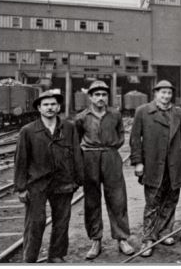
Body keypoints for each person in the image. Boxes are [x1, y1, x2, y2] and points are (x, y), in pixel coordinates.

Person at [14, 90, 84, 263]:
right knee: (35, 222)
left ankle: (56, 255)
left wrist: (78, 179)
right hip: (37, 182)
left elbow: (76, 153)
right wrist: (21, 187)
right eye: (45, 105)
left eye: (53, 104)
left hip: (63, 181)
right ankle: (30, 258)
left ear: (58, 106)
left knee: (62, 221)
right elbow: (21, 160)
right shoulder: (28, 131)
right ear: (39, 108)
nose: (50, 108)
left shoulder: (69, 128)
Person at [130, 80, 181, 257]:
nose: (166, 96)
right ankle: (148, 239)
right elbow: (135, 139)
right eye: (162, 93)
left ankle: (165, 232)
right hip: (153, 165)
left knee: (171, 200)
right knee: (152, 204)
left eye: (169, 93)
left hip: (174, 165)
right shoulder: (143, 112)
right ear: (155, 93)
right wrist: (138, 162)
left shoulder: (178, 113)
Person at [75, 81, 134, 259]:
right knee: (92, 200)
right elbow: (76, 140)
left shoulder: (115, 114)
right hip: (90, 158)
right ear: (91, 97)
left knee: (117, 198)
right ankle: (96, 239)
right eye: (97, 95)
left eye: (104, 95)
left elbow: (121, 135)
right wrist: (86, 155)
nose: (101, 98)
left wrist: (111, 147)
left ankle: (122, 238)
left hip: (110, 157)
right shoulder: (82, 117)